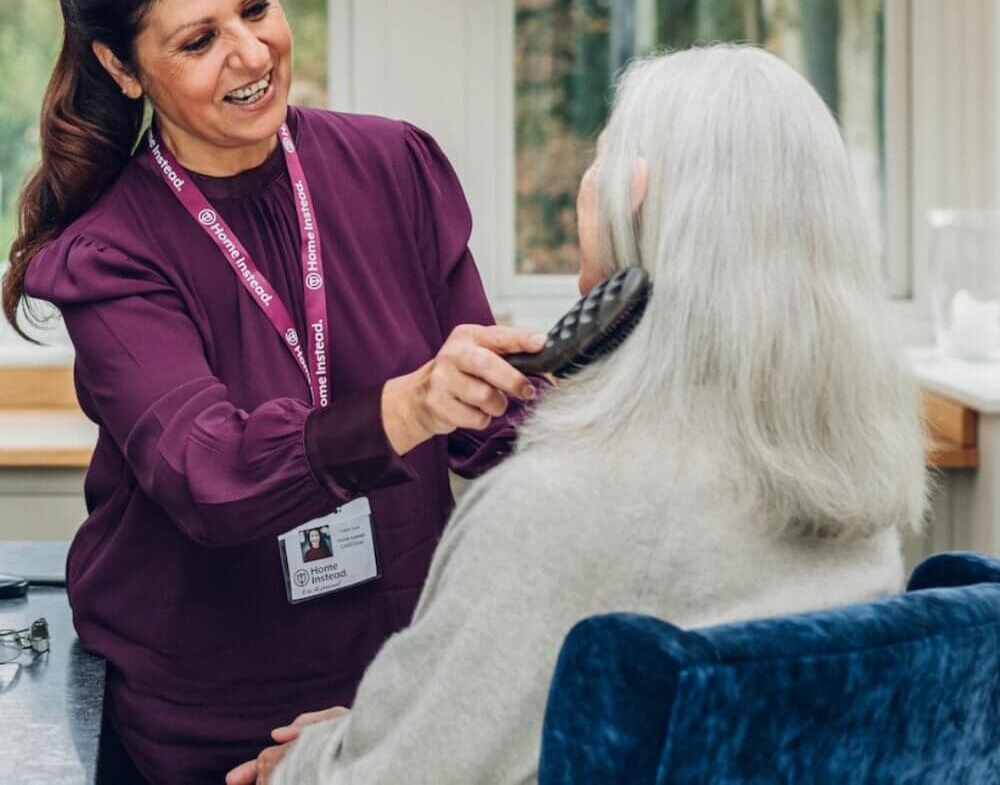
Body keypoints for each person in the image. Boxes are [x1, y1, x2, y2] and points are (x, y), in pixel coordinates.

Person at [227, 44, 928, 785]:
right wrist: (380, 727)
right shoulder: (857, 499)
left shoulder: (554, 509)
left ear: (635, 196)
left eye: (598, 160)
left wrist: (305, 762)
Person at [1, 0, 545, 785]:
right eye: (198, 39)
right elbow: (208, 474)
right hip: (206, 732)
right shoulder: (110, 253)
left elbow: (489, 424)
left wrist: (577, 390)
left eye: (256, 7)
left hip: (392, 704)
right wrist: (406, 406)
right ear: (123, 66)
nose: (250, 52)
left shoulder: (394, 166)